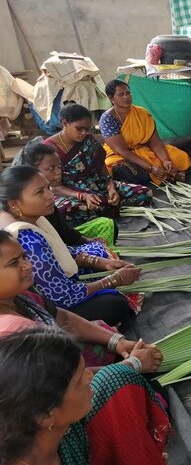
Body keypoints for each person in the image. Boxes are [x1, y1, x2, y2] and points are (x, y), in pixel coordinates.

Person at [0, 328, 170, 464]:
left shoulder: (48, 434)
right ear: (46, 415)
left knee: (115, 378)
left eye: (84, 370)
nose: (90, 377)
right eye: (79, 380)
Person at [0, 229, 162, 368]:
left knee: (104, 332)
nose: (28, 266)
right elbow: (61, 384)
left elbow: (62, 317)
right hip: (58, 389)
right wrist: (133, 365)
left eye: (24, 257)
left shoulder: (22, 297)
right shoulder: (10, 333)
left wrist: (116, 341)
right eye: (14, 263)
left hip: (64, 368)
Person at [0, 166, 141, 325]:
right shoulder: (27, 239)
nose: (50, 195)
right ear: (14, 204)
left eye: (48, 188)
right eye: (40, 192)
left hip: (59, 287)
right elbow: (64, 297)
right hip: (54, 308)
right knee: (115, 304)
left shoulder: (33, 217)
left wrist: (104, 263)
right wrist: (113, 280)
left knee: (99, 253)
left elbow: (61, 251)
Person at [40, 103, 152, 225]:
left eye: (87, 129)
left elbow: (103, 171)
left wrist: (111, 188)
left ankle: (102, 211)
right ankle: (102, 211)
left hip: (99, 186)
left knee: (145, 193)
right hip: (73, 194)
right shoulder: (50, 149)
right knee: (65, 211)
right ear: (65, 123)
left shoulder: (90, 141)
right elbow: (56, 187)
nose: (83, 133)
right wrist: (82, 196)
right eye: (79, 128)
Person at [99, 79, 191, 185]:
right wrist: (151, 168)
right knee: (128, 171)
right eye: (121, 94)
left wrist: (165, 160)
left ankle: (167, 175)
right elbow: (123, 152)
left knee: (180, 157)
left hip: (145, 150)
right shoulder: (108, 119)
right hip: (121, 155)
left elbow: (155, 143)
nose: (126, 97)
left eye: (128, 93)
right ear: (111, 98)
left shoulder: (142, 113)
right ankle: (169, 177)